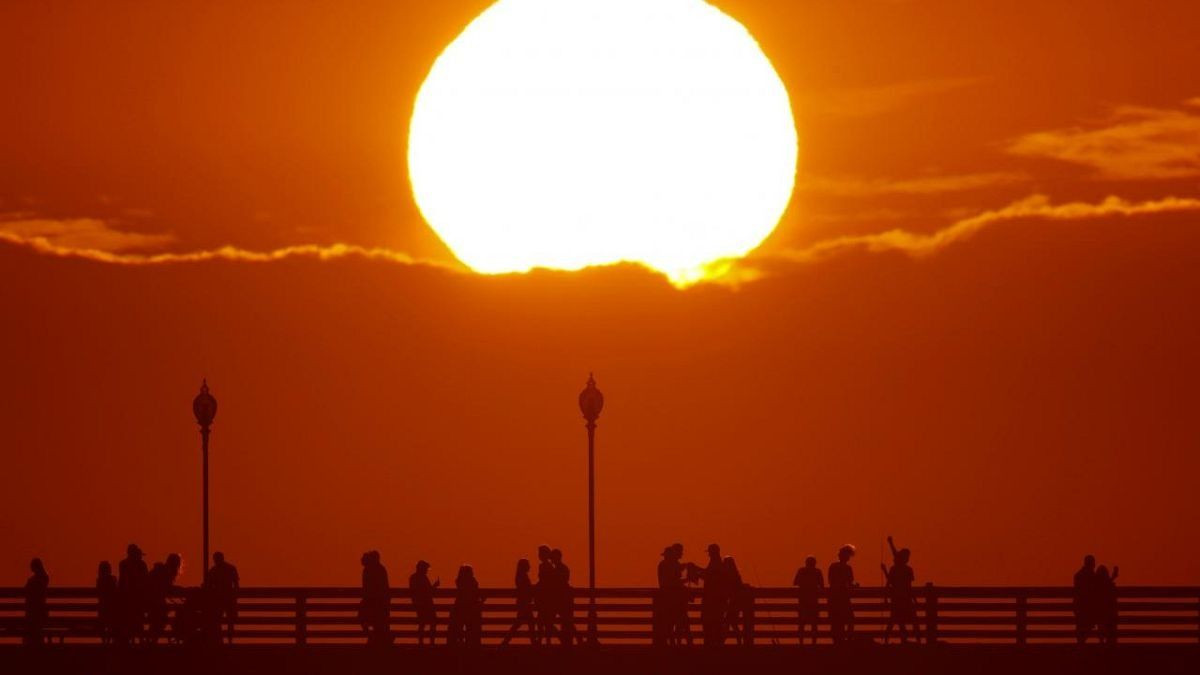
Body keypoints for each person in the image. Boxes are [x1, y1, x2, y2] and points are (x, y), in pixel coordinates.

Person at [688, 543, 730, 646]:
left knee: (711, 622)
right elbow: (709, 576)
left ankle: (711, 644)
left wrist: (696, 570)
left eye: (710, 552)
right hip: (715, 599)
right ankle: (713, 643)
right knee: (714, 622)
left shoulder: (716, 563)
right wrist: (697, 571)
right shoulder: (717, 563)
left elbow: (709, 577)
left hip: (713, 600)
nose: (709, 554)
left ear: (713, 552)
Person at [881, 536, 920, 644]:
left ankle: (886, 641)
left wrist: (890, 543)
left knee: (895, 621)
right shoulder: (907, 569)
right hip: (903, 599)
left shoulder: (896, 569)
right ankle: (918, 641)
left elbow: (889, 583)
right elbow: (908, 587)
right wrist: (915, 599)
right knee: (910, 621)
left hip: (898, 599)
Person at [655, 544, 690, 646]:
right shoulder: (668, 565)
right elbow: (673, 582)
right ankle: (680, 643)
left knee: (671, 622)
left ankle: (673, 643)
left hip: (667, 597)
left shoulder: (663, 565)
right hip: (672, 598)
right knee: (679, 621)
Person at [146, 553, 181, 644]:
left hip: (153, 599)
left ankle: (152, 640)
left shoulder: (163, 570)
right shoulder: (166, 572)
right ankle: (152, 640)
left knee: (159, 619)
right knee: (160, 618)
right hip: (155, 600)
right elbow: (165, 587)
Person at [117, 544, 149, 645]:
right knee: (137, 618)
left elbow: (121, 582)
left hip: (127, 600)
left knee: (130, 618)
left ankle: (131, 638)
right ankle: (139, 639)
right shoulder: (141, 565)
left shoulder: (123, 564)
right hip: (136, 600)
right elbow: (146, 582)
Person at [500, 558, 537, 646]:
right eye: (528, 565)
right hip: (524, 604)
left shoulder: (520, 575)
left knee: (525, 624)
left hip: (523, 603)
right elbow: (526, 589)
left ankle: (505, 642)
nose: (529, 567)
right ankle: (505, 642)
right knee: (524, 624)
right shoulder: (522, 576)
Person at [206, 551, 240, 644]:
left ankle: (224, 641)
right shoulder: (230, 568)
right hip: (225, 600)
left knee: (221, 621)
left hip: (221, 600)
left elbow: (208, 586)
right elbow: (236, 584)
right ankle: (228, 641)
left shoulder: (214, 571)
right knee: (227, 621)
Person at [448, 565, 484, 647]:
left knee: (459, 627)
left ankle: (460, 643)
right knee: (471, 628)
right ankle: (471, 644)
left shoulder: (459, 581)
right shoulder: (472, 581)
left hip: (459, 609)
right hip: (471, 610)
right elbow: (476, 593)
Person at [359, 551, 391, 646]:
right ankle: (374, 639)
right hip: (378, 602)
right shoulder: (380, 569)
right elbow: (385, 586)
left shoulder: (369, 570)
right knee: (377, 623)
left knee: (367, 620)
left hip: (373, 602)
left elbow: (367, 587)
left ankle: (373, 639)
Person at [827, 545, 857, 644]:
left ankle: (837, 641)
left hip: (833, 597)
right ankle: (847, 639)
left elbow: (830, 581)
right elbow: (849, 583)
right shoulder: (847, 568)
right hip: (843, 597)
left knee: (836, 621)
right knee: (849, 619)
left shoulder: (833, 566)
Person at [550, 549, 579, 645]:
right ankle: (572, 640)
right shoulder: (563, 568)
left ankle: (566, 639)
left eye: (553, 558)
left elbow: (559, 583)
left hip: (561, 599)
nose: (551, 560)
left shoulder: (559, 569)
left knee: (565, 621)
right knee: (567, 621)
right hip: (563, 599)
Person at [723, 557, 754, 646]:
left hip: (733, 603)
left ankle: (724, 642)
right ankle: (738, 641)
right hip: (736, 602)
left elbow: (731, 589)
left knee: (729, 622)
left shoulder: (729, 575)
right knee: (732, 623)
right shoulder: (735, 574)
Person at [793, 556, 823, 645]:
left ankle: (801, 643)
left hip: (803, 600)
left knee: (802, 623)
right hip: (813, 601)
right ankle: (814, 643)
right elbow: (822, 585)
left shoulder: (801, 571)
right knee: (814, 624)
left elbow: (795, 582)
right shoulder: (817, 572)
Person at [409, 560, 439, 646]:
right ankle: (431, 642)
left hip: (418, 604)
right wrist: (435, 586)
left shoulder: (413, 578)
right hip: (427, 604)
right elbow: (428, 591)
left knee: (422, 623)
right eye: (426, 569)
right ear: (422, 568)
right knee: (432, 622)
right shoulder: (423, 578)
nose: (427, 570)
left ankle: (421, 642)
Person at [534, 545, 558, 643]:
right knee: (545, 622)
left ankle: (543, 640)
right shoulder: (547, 566)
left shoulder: (546, 566)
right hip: (545, 598)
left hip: (546, 598)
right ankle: (545, 640)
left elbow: (545, 581)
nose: (539, 555)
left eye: (540, 553)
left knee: (544, 621)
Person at [24, 558, 49, 647]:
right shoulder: (45, 579)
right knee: (36, 622)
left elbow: (26, 590)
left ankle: (30, 643)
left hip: (33, 614)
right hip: (41, 613)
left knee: (32, 620)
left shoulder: (33, 581)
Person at [1073, 555, 1097, 644]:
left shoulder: (1078, 576)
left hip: (1079, 610)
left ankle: (1081, 642)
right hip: (1088, 611)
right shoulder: (1092, 576)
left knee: (1082, 624)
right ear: (1091, 564)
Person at [1095, 565, 1120, 645]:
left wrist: (1112, 577)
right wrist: (1113, 577)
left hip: (1101, 619)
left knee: (1100, 616)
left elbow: (1102, 586)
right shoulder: (1110, 588)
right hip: (1111, 619)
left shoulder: (1096, 590)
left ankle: (1101, 642)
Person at [96, 561, 118, 645]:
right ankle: (110, 640)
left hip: (103, 611)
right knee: (113, 622)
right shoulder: (113, 579)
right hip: (112, 610)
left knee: (104, 621)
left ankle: (105, 641)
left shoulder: (99, 581)